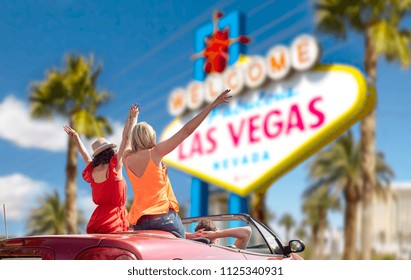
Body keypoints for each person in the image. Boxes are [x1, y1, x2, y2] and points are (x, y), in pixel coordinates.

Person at [124, 89, 231, 238]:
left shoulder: (127, 158)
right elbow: (186, 131)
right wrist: (212, 105)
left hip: (140, 222)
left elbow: (127, 138)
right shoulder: (155, 153)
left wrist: (133, 119)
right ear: (150, 136)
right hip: (164, 219)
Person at [63, 104, 139, 234]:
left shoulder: (92, 170)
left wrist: (75, 136)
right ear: (110, 152)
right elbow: (126, 140)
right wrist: (133, 118)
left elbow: (84, 153)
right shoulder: (114, 168)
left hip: (97, 221)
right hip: (114, 221)